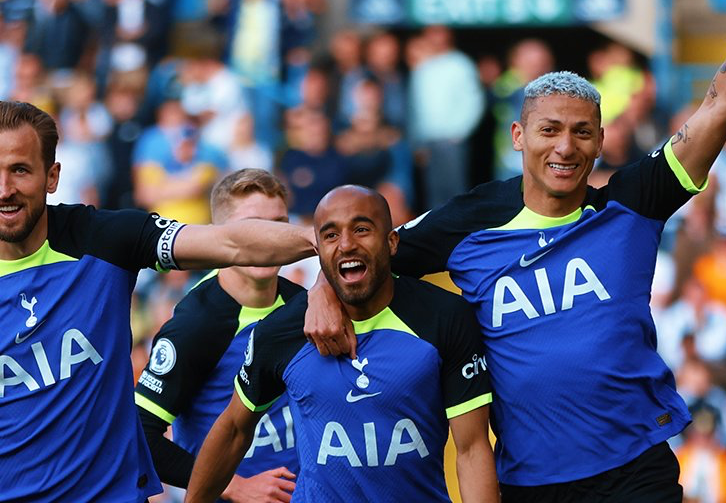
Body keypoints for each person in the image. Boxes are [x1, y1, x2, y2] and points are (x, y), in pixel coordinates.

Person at [306, 0, 726, 501]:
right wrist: (322, 285)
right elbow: (365, 251)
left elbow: (724, 102)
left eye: (581, 132)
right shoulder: (468, 220)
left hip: (636, 469)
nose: (565, 147)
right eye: (548, 130)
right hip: (530, 483)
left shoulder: (633, 202)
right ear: (519, 136)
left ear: (601, 140)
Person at [0, 101, 315, 502]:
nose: (3, 189)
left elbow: (231, 243)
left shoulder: (104, 238)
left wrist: (329, 244)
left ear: (52, 175)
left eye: (20, 170)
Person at [186, 186, 498, 502]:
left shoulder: (444, 317)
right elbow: (234, 431)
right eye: (331, 236)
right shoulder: (280, 332)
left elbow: (471, 449)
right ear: (317, 249)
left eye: (361, 230)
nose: (346, 245)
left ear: (392, 242)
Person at [134, 168, 304, 500]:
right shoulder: (197, 323)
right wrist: (234, 485)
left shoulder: (304, 304)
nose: (270, 239)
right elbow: (140, 435)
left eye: (280, 225)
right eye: (253, 227)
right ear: (217, 237)